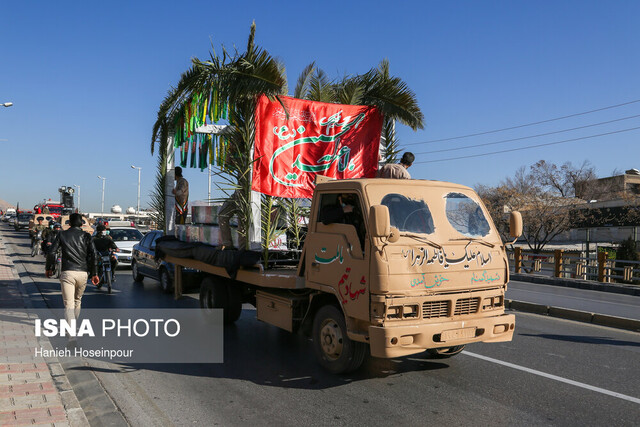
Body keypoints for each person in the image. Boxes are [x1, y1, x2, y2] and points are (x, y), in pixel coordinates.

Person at [46, 213, 99, 324]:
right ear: (81, 223)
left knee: (68, 305)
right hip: (83, 273)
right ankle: (73, 324)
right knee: (77, 301)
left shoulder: (62, 235)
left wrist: (49, 268)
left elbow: (51, 252)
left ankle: (71, 334)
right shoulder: (86, 236)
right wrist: (94, 273)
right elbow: (94, 254)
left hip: (68, 273)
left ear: (69, 223)